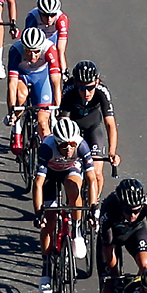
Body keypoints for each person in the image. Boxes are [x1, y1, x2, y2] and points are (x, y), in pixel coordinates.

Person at [33, 116, 97, 293]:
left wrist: (94, 207)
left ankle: (76, 230)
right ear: (56, 142)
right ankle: (46, 269)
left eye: (71, 145)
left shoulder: (81, 145)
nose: (69, 148)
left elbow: (92, 179)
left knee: (73, 187)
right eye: (64, 145)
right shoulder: (47, 147)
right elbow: (38, 183)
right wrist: (38, 213)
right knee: (49, 222)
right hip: (50, 174)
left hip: (70, 170)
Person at [58, 60, 119, 194]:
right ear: (76, 84)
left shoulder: (102, 91)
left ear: (96, 82)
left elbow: (110, 124)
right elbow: (63, 122)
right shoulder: (69, 90)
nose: (87, 93)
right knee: (70, 172)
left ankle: (94, 203)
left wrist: (112, 152)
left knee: (97, 174)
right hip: (73, 129)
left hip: (93, 127)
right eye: (82, 88)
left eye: (90, 88)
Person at [5, 26, 62, 147]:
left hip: (41, 78)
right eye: (28, 51)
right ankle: (17, 129)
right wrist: (11, 111)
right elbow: (12, 84)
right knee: (20, 97)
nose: (32, 56)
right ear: (23, 47)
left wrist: (58, 108)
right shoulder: (15, 50)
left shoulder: (50, 49)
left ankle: (45, 153)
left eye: (36, 51)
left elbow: (56, 83)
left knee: (43, 123)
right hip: (23, 76)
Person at [25, 0, 69, 75]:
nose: (49, 19)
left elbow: (61, 49)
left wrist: (64, 70)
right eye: (45, 15)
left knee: (54, 58)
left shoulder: (62, 18)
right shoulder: (32, 17)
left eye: (52, 15)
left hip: (52, 37)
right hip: (36, 38)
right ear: (39, 13)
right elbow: (30, 41)